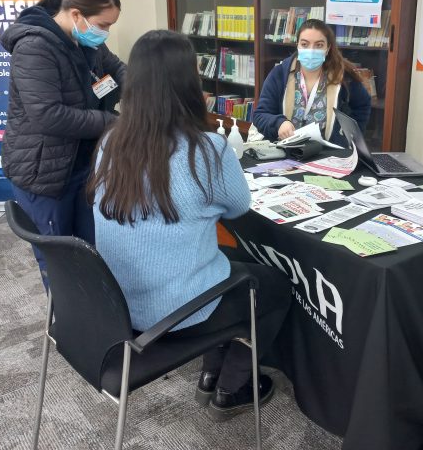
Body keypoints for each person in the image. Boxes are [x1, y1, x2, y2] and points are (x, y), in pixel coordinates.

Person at [89, 30, 291, 420]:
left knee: (226, 262)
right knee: (274, 287)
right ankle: (233, 388)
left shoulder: (109, 143)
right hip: (176, 312)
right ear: (188, 84)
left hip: (116, 303)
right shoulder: (206, 148)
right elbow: (237, 208)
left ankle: (211, 371)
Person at [1, 0, 126, 288]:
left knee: (91, 251)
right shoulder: (34, 46)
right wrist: (117, 123)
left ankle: (98, 322)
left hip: (82, 164)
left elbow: (118, 70)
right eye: (104, 25)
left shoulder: (85, 41)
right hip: (44, 173)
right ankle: (70, 329)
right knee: (61, 263)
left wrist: (148, 91)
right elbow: (48, 116)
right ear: (76, 15)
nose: (105, 32)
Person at [253, 19, 371, 147]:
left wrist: (349, 139)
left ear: (328, 48)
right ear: (297, 45)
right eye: (305, 44)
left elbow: (363, 105)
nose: (311, 50)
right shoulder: (280, 74)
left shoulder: (343, 77)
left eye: (319, 45)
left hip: (327, 156)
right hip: (286, 153)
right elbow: (260, 115)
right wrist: (278, 123)